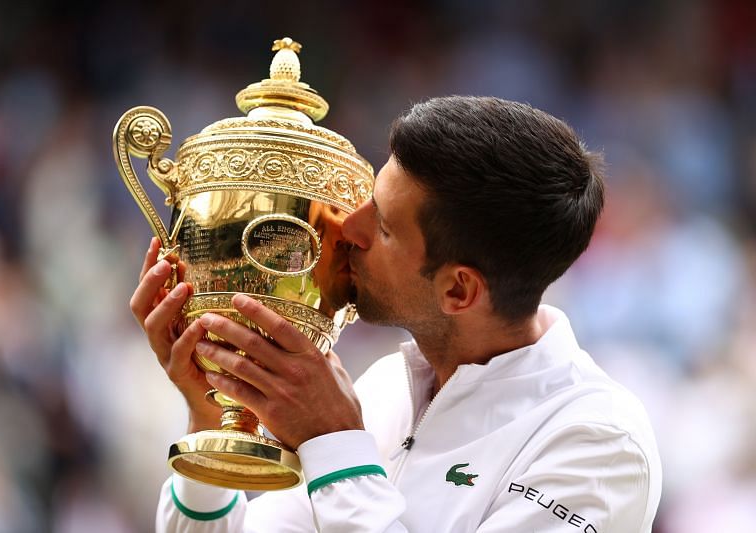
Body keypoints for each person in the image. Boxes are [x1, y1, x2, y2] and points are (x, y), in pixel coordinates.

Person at [130, 96, 662, 532]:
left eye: (382, 226)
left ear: (459, 289)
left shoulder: (599, 446)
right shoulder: (385, 387)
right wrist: (213, 416)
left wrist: (335, 447)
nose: (347, 230)